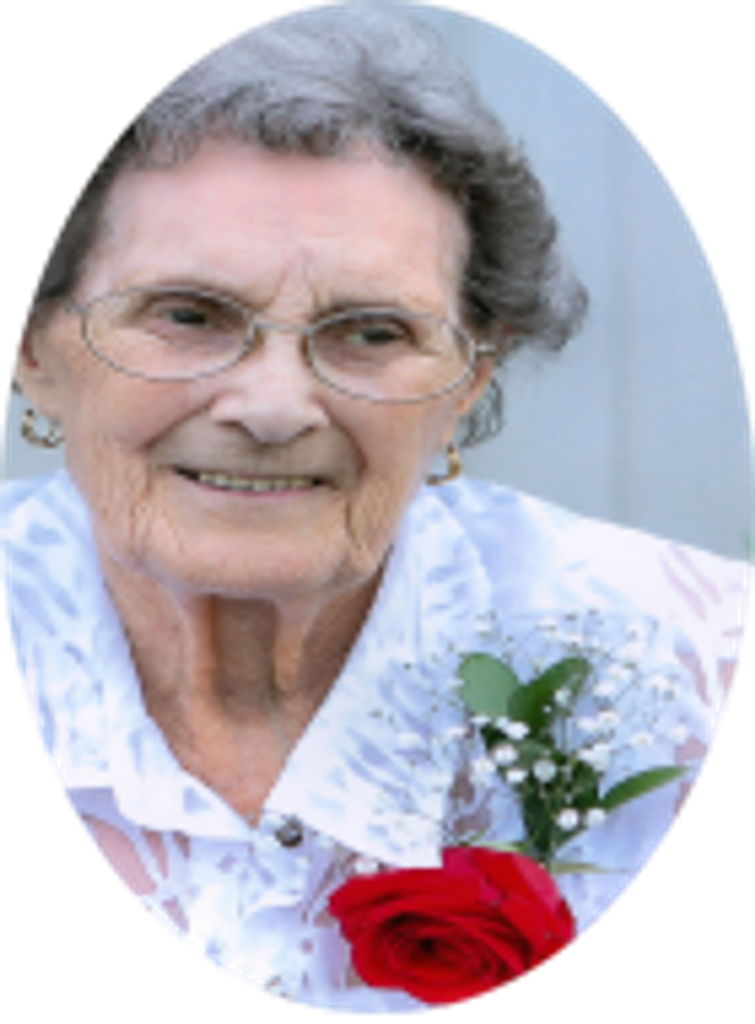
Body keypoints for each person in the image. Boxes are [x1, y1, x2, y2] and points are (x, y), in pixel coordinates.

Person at [3, 8, 751, 1015]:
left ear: (470, 378)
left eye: (370, 332)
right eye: (187, 315)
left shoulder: (698, 679)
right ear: (33, 348)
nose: (273, 408)